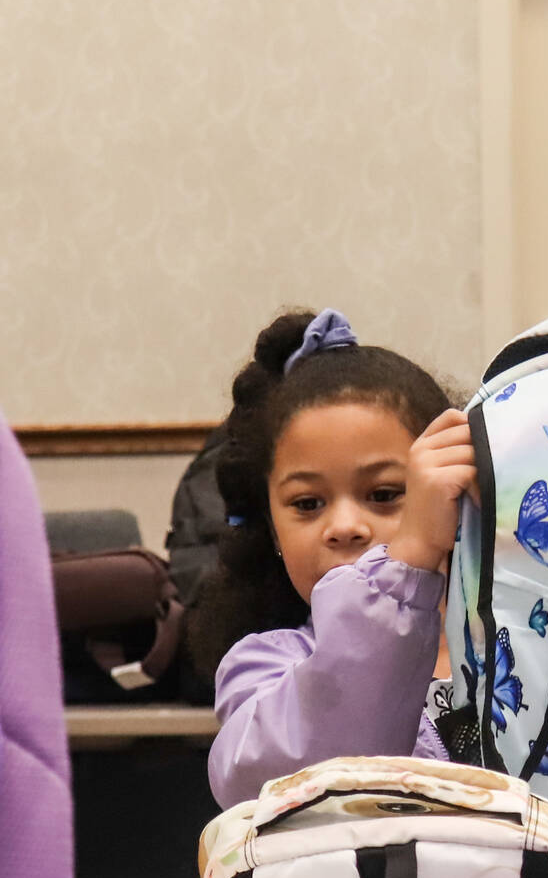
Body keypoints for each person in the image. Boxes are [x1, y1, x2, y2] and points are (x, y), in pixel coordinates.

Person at [197, 308, 474, 809]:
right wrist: (406, 560)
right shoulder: (265, 667)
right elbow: (270, 779)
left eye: (385, 493)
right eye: (307, 504)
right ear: (272, 528)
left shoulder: (516, 645)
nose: (345, 526)